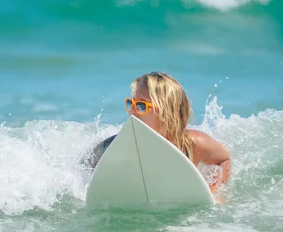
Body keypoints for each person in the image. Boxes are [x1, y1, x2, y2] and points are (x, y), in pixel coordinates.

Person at [89, 71, 231, 193]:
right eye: (130, 103)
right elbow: (87, 165)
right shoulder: (115, 146)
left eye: (141, 105)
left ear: (166, 112)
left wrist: (214, 189)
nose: (132, 110)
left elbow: (224, 160)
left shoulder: (192, 144)